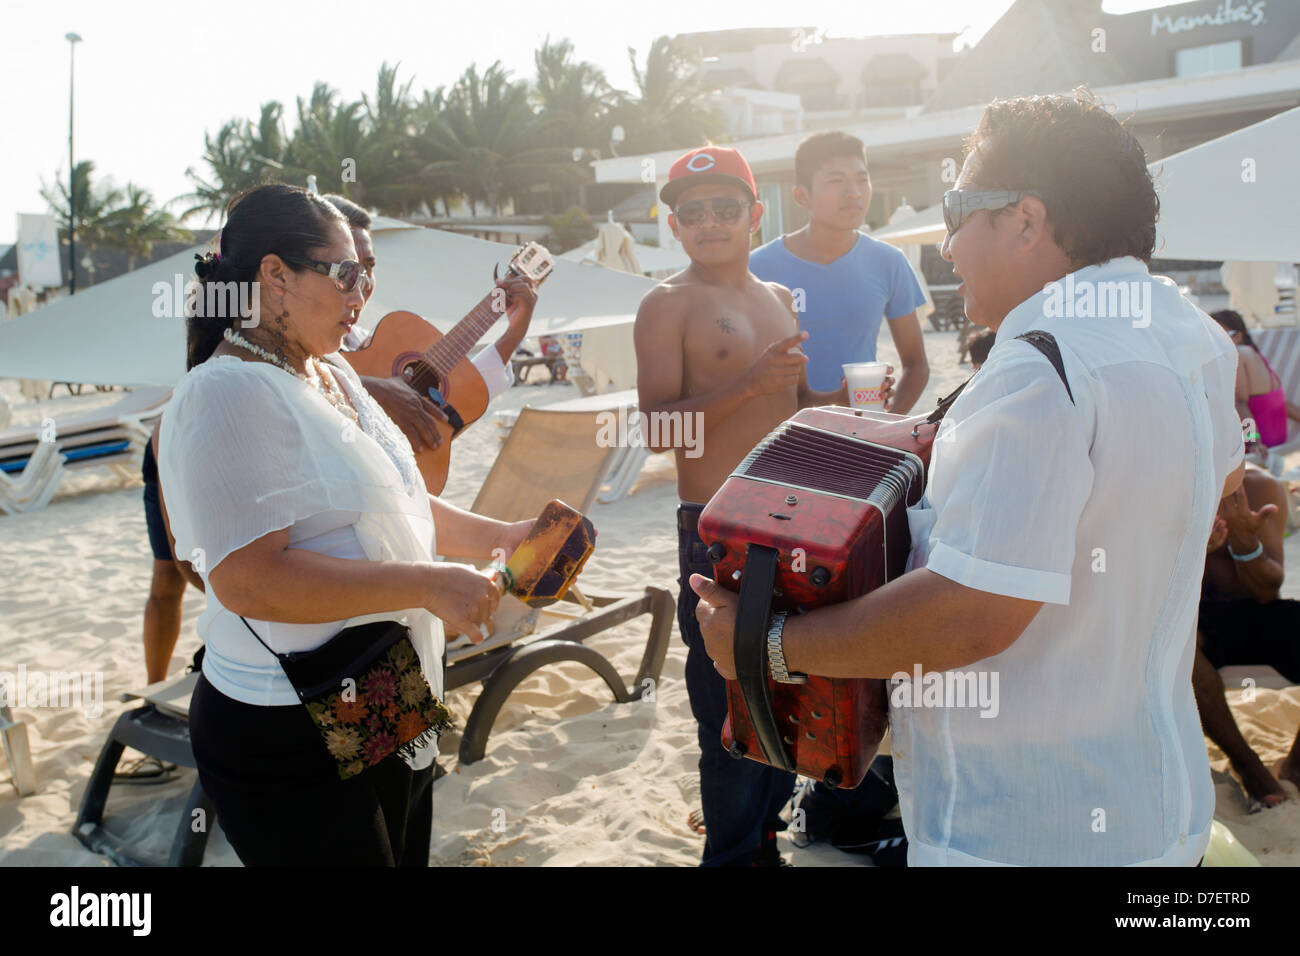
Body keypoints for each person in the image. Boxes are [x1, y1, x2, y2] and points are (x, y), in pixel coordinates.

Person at [692, 89, 1245, 866]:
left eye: (958, 210)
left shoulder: (1039, 367)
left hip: (1024, 826)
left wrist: (769, 644)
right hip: (1161, 809)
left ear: (1026, 219)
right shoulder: (1189, 333)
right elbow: (1219, 497)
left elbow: (972, 612)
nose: (948, 246)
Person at [157, 183, 541, 866]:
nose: (362, 293)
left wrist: (498, 536)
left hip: (375, 682)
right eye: (347, 274)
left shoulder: (328, 371)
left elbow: (393, 500)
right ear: (274, 276)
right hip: (285, 716)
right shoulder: (227, 392)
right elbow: (248, 580)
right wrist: (427, 584)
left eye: (368, 274)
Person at [634, 145, 862, 866]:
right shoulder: (667, 304)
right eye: (692, 212)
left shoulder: (779, 299)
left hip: (789, 520)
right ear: (673, 226)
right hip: (715, 527)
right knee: (728, 709)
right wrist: (748, 383)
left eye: (725, 208)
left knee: (787, 694)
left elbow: (789, 409)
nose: (709, 223)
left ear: (756, 214)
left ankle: (763, 839)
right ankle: (732, 857)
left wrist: (844, 404)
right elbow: (657, 429)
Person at [322, 194, 531, 453]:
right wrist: (371, 392)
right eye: (347, 269)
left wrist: (514, 331)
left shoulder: (367, 342)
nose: (362, 282)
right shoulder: (274, 357)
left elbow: (459, 393)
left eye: (370, 267)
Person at [748, 131, 929, 412]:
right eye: (836, 181)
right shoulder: (756, 268)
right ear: (801, 196)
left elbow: (916, 365)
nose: (853, 193)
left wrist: (887, 427)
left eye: (862, 179)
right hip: (780, 438)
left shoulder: (889, 261)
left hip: (858, 435)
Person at [1194, 463, 1300, 807]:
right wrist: (1191, 553)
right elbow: (1143, 590)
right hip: (1192, 620)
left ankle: (1296, 767)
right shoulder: (1161, 483)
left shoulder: (1259, 485)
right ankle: (1249, 766)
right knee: (1180, 650)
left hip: (1254, 611)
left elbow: (1268, 590)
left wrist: (1245, 544)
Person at [1209, 309, 1294, 449]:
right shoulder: (1255, 354)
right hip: (1278, 438)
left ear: (1237, 337)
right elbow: (1281, 403)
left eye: (1218, 336)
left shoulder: (1239, 355)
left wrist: (1253, 442)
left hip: (1261, 442)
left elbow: (1241, 404)